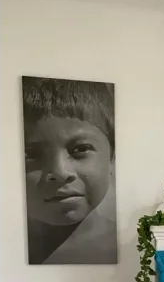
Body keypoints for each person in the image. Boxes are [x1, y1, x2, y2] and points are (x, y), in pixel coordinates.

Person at [22, 77, 117, 264]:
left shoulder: (137, 246)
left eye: (81, 149)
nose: (60, 172)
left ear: (112, 158)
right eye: (31, 154)